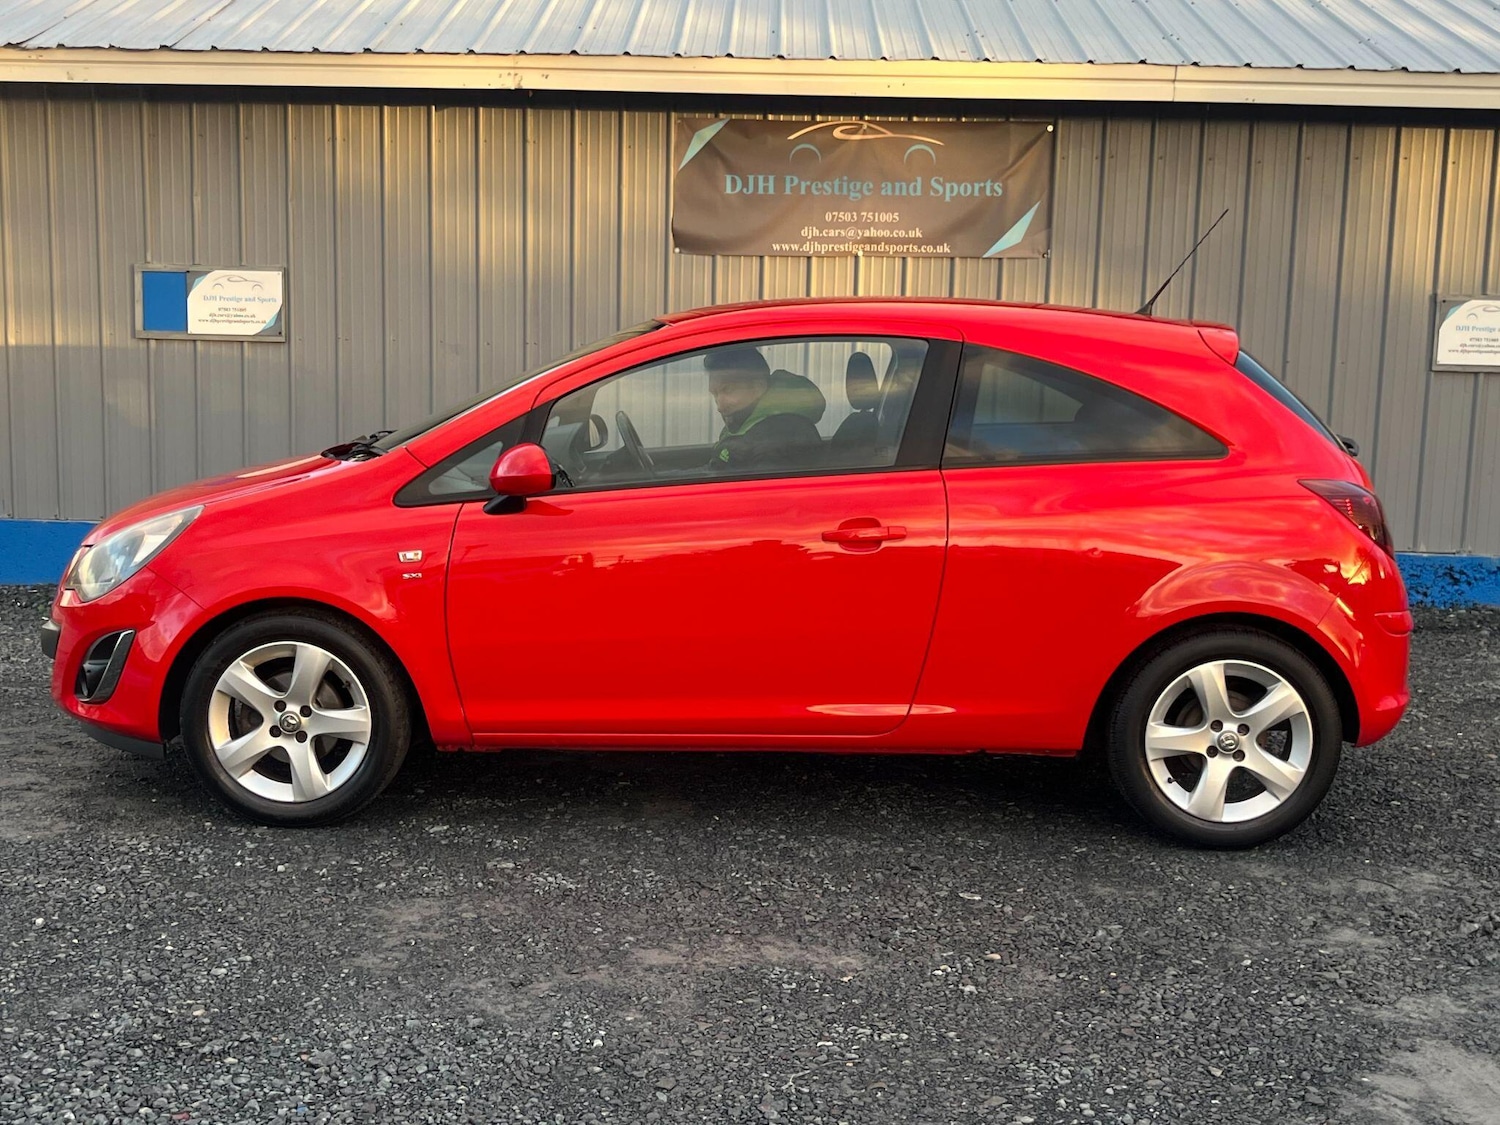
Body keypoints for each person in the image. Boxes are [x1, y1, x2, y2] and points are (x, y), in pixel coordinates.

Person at [705, 347, 826, 472]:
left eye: (727, 390)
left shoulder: (778, 438)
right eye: (715, 394)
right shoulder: (749, 425)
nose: (720, 407)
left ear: (758, 387)